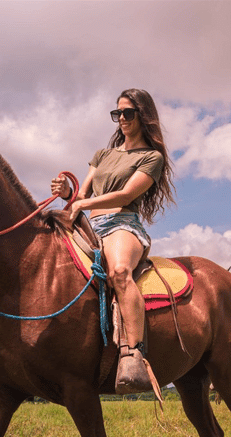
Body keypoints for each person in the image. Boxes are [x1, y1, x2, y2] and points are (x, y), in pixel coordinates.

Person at [51, 88, 175, 394]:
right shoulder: (103, 155)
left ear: (143, 116)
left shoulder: (151, 157)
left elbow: (126, 195)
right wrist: (69, 194)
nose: (121, 119)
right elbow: (82, 196)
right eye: (117, 113)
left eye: (128, 113)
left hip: (123, 224)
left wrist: (81, 204)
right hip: (90, 225)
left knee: (120, 272)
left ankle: (134, 354)